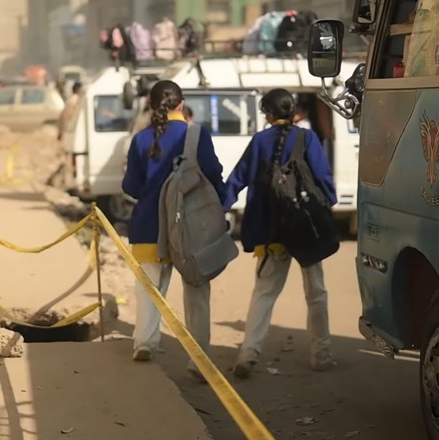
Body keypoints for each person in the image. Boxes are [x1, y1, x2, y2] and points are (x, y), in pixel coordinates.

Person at [222, 88, 338, 377]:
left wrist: (219, 206)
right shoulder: (307, 138)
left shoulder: (259, 142)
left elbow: (237, 179)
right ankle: (321, 354)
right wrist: (329, 204)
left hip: (270, 230)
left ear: (267, 114)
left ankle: (248, 354)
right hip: (305, 227)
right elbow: (323, 177)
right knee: (316, 292)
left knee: (264, 293)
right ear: (293, 112)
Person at [122, 80, 226, 382]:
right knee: (197, 290)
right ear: (181, 104)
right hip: (189, 227)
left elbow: (130, 186)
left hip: (148, 226)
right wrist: (220, 206)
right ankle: (198, 360)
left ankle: (144, 342)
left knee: (148, 288)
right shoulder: (196, 135)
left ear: (152, 105)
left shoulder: (141, 139)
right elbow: (213, 173)